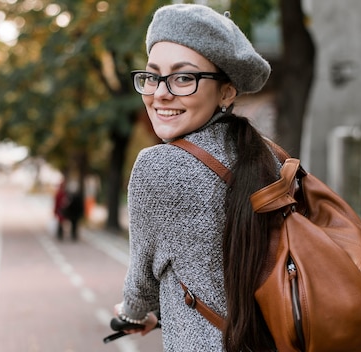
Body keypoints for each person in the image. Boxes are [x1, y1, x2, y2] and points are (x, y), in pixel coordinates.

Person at [113, 4, 280, 351]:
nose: (160, 92)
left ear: (227, 91)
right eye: (152, 75)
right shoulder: (267, 157)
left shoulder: (159, 168)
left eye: (184, 77)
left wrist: (132, 315)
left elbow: (141, 289)